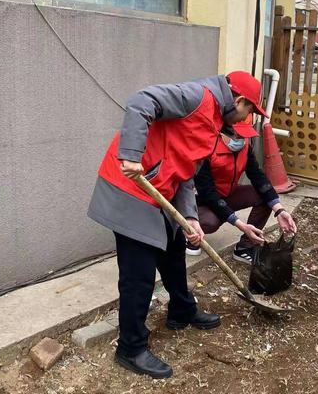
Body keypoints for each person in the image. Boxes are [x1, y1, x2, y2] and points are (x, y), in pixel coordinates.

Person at [87, 71, 268, 378]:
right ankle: (130, 348)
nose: (246, 118)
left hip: (159, 191)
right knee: (138, 276)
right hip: (130, 188)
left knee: (173, 253)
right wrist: (130, 154)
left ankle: (181, 310)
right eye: (249, 110)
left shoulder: (214, 123)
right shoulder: (197, 97)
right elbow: (141, 101)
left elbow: (185, 173)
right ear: (239, 101)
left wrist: (191, 218)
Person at [187, 116, 297, 263]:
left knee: (265, 197)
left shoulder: (244, 148)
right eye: (237, 135)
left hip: (226, 194)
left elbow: (259, 178)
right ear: (221, 133)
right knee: (210, 222)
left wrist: (280, 210)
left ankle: (245, 247)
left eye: (244, 136)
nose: (241, 140)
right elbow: (208, 194)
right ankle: (187, 232)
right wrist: (240, 224)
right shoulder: (206, 150)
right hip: (201, 201)